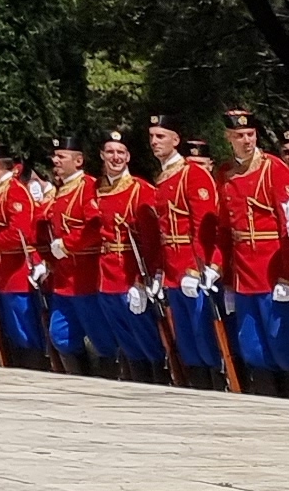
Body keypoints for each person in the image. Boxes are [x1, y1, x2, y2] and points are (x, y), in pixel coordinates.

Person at [217, 109, 289, 396]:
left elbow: (288, 225)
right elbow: (225, 229)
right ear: (228, 137)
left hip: (272, 267)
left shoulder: (273, 168)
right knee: (252, 344)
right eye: (239, 135)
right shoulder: (225, 173)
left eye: (250, 134)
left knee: (283, 340)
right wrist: (227, 279)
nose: (246, 141)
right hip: (244, 271)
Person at [142, 114, 224, 389]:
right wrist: (159, 271)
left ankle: (217, 387)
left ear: (176, 140)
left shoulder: (193, 174)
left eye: (161, 136)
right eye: (152, 136)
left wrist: (197, 266)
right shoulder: (164, 176)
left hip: (191, 267)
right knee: (186, 340)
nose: (155, 142)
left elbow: (205, 224)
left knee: (205, 337)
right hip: (172, 268)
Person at [75, 130, 156, 378]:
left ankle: (156, 379)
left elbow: (150, 240)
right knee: (122, 334)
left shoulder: (140, 189)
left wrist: (142, 281)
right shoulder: (92, 189)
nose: (116, 157)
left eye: (121, 152)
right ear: (101, 155)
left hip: (129, 273)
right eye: (110, 152)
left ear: (128, 156)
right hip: (105, 273)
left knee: (144, 333)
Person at [0, 142, 48, 363]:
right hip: (4, 270)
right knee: (13, 330)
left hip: (18, 270)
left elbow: (19, 233)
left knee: (25, 330)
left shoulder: (14, 191)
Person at [33, 138, 91, 368]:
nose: (55, 160)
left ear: (78, 161)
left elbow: (94, 227)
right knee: (60, 335)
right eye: (55, 157)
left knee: (99, 336)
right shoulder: (58, 192)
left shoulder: (88, 187)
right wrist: (46, 259)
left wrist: (67, 244)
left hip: (85, 275)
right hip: (63, 275)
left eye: (61, 157)